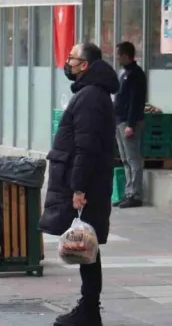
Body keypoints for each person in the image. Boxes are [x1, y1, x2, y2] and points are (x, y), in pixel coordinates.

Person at [39, 42, 119, 326]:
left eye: (71, 58)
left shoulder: (90, 97)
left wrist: (79, 188)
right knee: (87, 247)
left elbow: (86, 147)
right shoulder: (90, 94)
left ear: (85, 65)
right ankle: (88, 308)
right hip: (86, 182)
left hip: (88, 186)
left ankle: (89, 309)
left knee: (87, 247)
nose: (67, 63)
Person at [112, 41, 147, 209]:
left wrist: (131, 124)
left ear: (126, 55)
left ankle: (136, 193)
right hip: (119, 120)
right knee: (125, 159)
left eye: (119, 54)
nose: (117, 57)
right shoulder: (123, 73)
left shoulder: (135, 74)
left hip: (128, 121)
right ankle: (128, 192)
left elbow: (136, 101)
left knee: (133, 159)